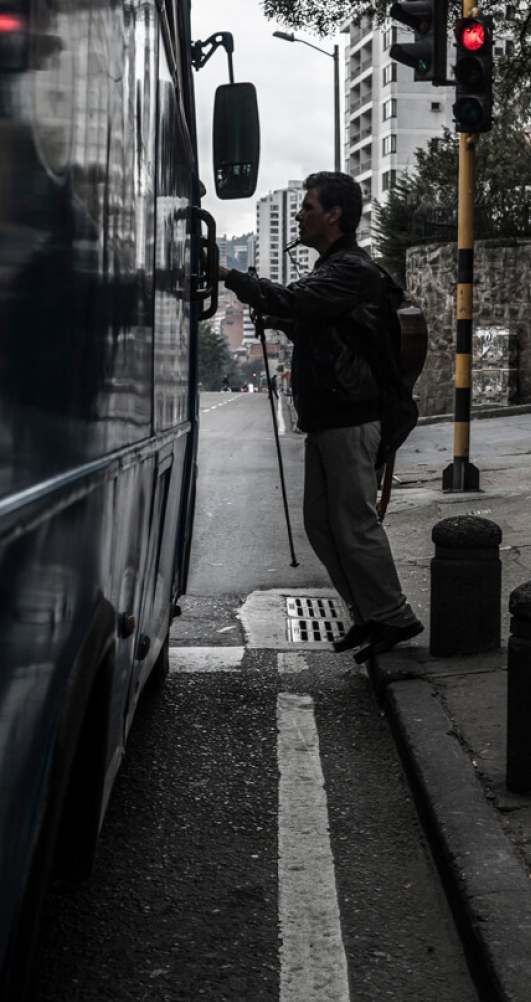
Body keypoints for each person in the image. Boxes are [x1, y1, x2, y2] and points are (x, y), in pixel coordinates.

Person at [218, 171, 422, 663]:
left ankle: (393, 615)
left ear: (334, 215)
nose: (299, 215)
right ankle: (368, 615)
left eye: (308, 207)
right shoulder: (335, 267)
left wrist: (230, 276)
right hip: (329, 416)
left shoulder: (352, 268)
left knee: (353, 522)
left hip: (352, 415)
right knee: (321, 523)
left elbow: (301, 301)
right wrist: (285, 318)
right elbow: (320, 320)